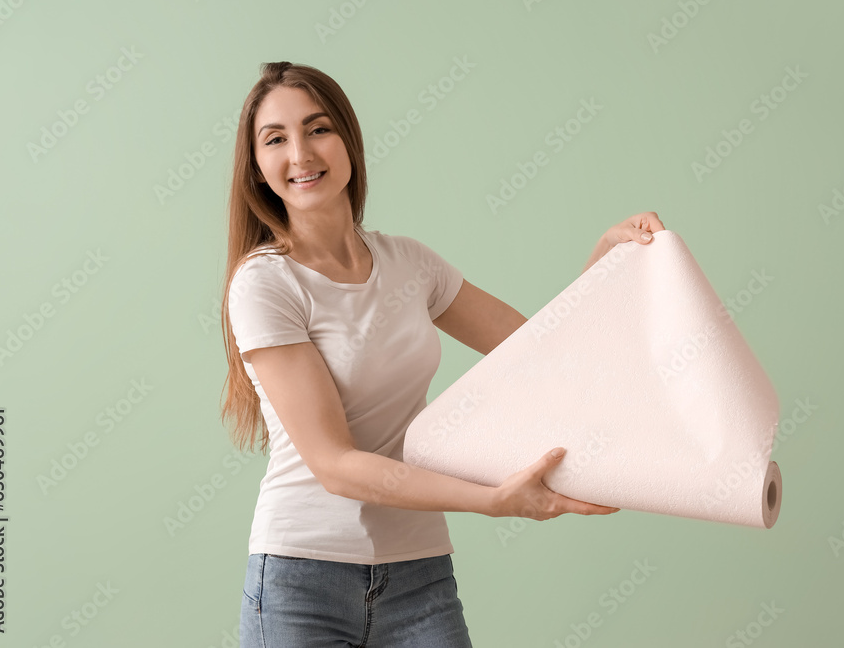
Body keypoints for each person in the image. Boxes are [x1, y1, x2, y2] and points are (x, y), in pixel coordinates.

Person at [219, 61, 665, 648]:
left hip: (418, 575)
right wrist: (493, 502)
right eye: (275, 139)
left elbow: (538, 353)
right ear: (257, 168)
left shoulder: (410, 264)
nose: (300, 153)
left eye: (318, 128)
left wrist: (606, 260)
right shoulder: (266, 285)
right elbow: (334, 465)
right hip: (303, 579)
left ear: (348, 140)